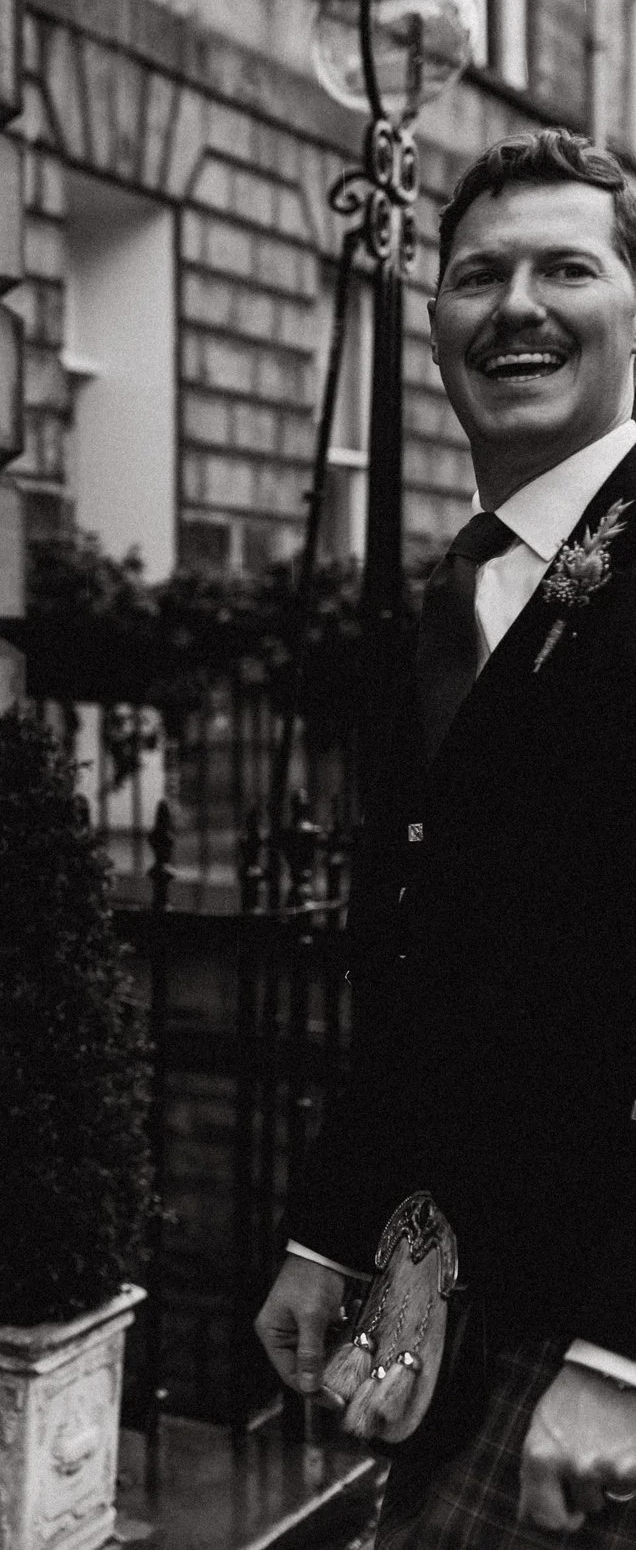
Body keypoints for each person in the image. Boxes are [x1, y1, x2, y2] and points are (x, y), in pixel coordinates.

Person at [255, 128, 636, 1544]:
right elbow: (427, 953)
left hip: (590, 1344)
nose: (515, 305)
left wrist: (620, 1357)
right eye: (478, 274)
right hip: (461, 1300)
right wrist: (326, 1228)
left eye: (566, 267)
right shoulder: (459, 593)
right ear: (435, 322)